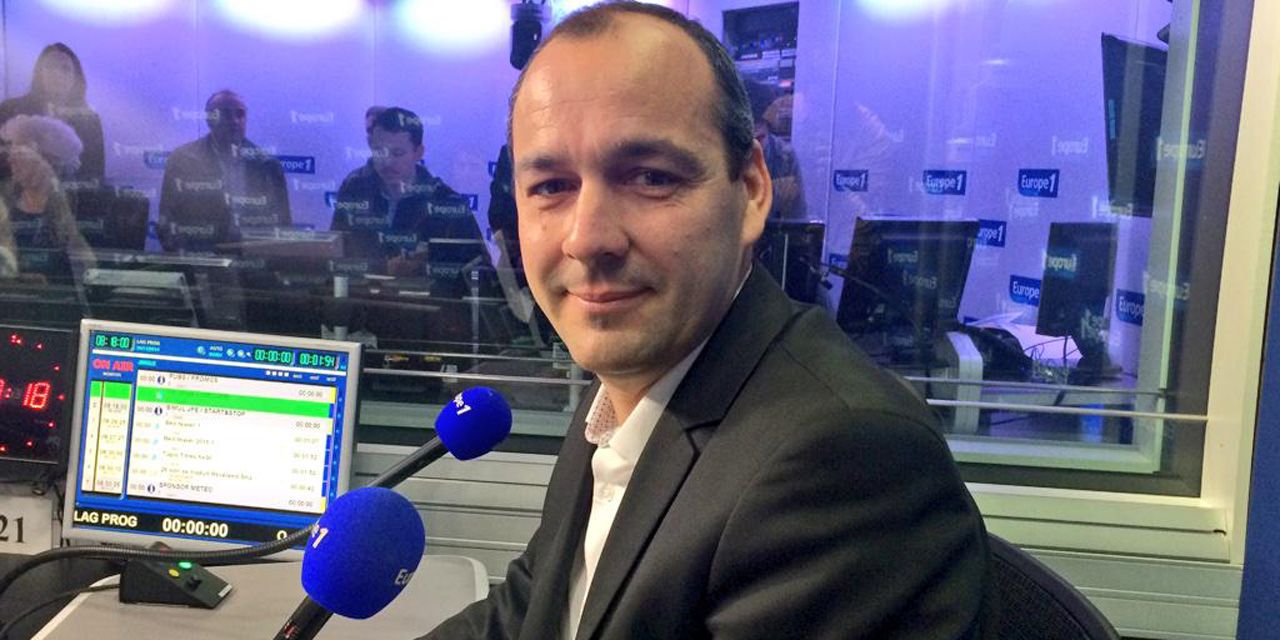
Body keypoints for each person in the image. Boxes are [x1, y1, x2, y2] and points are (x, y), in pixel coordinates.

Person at [421, 3, 989, 639]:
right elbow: (529, 611)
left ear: (751, 191)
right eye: (552, 186)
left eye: (650, 177)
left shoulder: (846, 459)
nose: (587, 239)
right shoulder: (630, 386)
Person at [331, 107, 486, 283]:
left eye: (397, 153)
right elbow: (335, 254)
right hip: (361, 297)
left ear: (418, 153)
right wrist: (382, 268)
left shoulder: (447, 202)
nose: (387, 162)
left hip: (428, 299)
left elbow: (478, 273)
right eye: (380, 151)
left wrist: (424, 268)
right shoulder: (354, 189)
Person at [157, 89, 290, 252]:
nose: (235, 121)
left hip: (253, 259)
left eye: (240, 114)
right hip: (199, 259)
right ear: (209, 119)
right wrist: (187, 259)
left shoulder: (268, 165)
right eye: (226, 114)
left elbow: (282, 225)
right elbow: (167, 219)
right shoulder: (182, 159)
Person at [0, 114, 94, 282]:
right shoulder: (3, 198)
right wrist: (18, 280)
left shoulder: (72, 200)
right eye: (11, 151)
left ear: (48, 161)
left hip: (61, 293)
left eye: (20, 153)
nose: (11, 160)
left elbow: (87, 264)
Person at [0, 43, 105, 182]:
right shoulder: (10, 109)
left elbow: (95, 174)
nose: (57, 74)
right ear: (39, 74)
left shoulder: (89, 120)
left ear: (76, 78)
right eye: (50, 66)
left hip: (74, 194)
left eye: (65, 68)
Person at [744, 79, 806, 220]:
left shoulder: (785, 156)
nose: (756, 146)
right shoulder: (724, 154)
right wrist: (773, 193)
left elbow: (797, 219)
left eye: (760, 137)